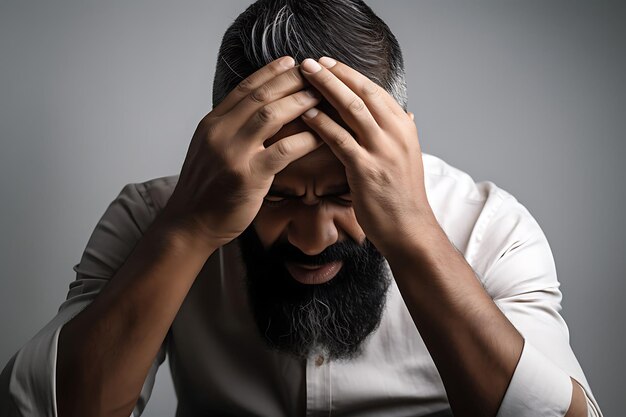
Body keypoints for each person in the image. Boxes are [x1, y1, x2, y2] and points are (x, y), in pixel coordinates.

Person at [0, 0, 603, 416]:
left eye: (347, 194)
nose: (314, 239)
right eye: (277, 195)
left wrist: (412, 229)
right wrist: (187, 228)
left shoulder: (491, 231)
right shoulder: (152, 220)